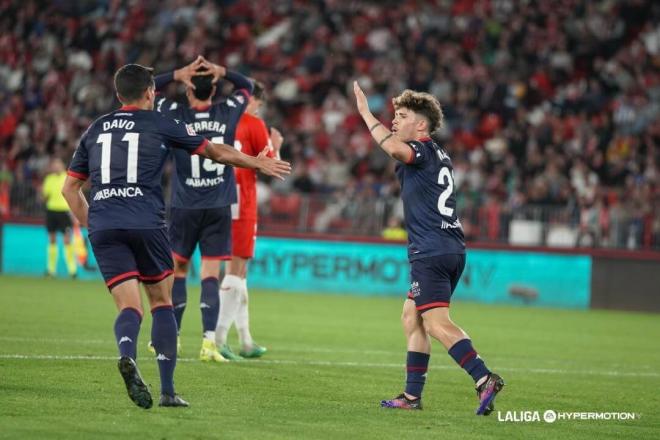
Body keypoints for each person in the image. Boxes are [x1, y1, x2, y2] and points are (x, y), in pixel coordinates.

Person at [61, 63, 290, 409]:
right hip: (147, 222)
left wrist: (94, 223)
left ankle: (128, 354)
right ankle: (167, 391)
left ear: (118, 94)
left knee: (129, 307)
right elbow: (215, 151)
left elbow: (70, 189)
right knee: (161, 303)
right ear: (151, 93)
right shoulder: (162, 123)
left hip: (105, 223)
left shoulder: (96, 128)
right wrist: (256, 163)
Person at [353, 82, 504, 415]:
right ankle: (411, 397)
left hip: (432, 250)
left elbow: (394, 149)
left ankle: (483, 379)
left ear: (421, 125)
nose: (394, 121)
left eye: (402, 116)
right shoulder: (437, 153)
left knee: (436, 324)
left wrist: (365, 113)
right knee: (413, 317)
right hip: (447, 246)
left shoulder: (420, 149)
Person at [151, 56, 253, 362]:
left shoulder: (174, 114)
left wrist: (175, 73)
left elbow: (147, 90)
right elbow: (246, 86)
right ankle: (209, 343)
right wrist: (222, 71)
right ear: (214, 90)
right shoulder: (228, 110)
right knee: (211, 274)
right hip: (219, 204)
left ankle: (174, 338)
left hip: (184, 204)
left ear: (188, 90)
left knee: (178, 271)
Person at [215, 80, 282, 360]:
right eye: (259, 104)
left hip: (215, 197)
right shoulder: (253, 124)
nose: (258, 109)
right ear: (253, 100)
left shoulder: (218, 117)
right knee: (236, 269)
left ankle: (245, 339)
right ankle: (217, 340)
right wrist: (276, 147)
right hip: (241, 200)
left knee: (238, 273)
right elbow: (270, 167)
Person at [41, 157, 77, 278]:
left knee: (67, 240)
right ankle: (51, 270)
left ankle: (72, 270)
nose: (56, 167)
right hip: (51, 210)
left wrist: (74, 212)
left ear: (62, 165)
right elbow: (45, 197)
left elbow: (74, 194)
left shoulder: (67, 177)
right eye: (54, 165)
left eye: (58, 164)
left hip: (64, 211)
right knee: (52, 239)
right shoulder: (48, 179)